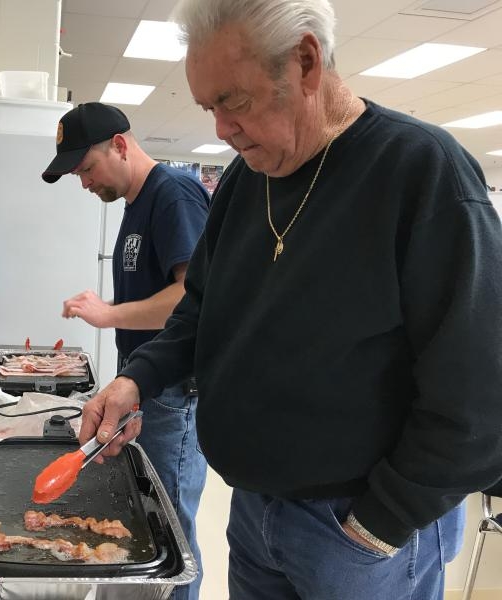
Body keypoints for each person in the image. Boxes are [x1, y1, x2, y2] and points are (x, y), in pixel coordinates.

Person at [76, 1, 502, 599]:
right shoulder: (245, 181)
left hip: (357, 532)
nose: (221, 128)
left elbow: (480, 390)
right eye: (209, 107)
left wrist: (382, 520)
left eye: (234, 101)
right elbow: (199, 309)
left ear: (305, 62)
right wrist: (136, 381)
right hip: (256, 512)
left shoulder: (420, 172)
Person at [41, 102, 211, 600]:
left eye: (86, 168)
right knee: (149, 521)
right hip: (145, 388)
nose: (85, 183)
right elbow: (155, 299)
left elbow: (192, 298)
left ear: (120, 144)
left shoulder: (173, 194)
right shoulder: (137, 204)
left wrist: (108, 314)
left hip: (175, 396)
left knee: (172, 533)